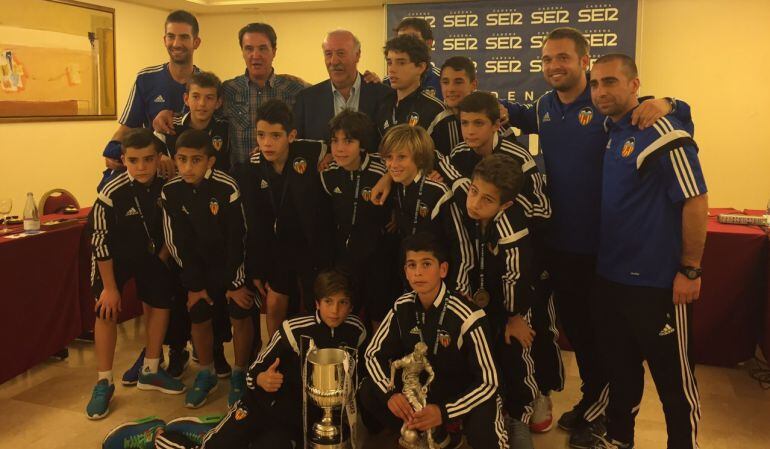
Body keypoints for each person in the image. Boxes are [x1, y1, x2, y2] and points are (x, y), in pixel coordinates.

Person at [501, 27, 692, 445]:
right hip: (561, 245)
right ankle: (594, 400)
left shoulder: (607, 102)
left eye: (563, 58)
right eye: (548, 59)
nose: (554, 66)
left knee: (609, 341)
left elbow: (675, 117)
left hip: (607, 253)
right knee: (581, 333)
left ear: (584, 61)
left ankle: (606, 413)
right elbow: (506, 111)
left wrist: (669, 102)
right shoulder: (545, 107)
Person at [104, 270, 367, 449]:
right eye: (329, 301)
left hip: (292, 423)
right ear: (317, 303)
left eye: (343, 303)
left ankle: (206, 429)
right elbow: (254, 371)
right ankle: (157, 435)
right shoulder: (293, 329)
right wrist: (263, 378)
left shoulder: (356, 331)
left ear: (351, 305)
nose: (335, 310)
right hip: (261, 405)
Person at [588, 54, 705, 449]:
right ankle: (619, 439)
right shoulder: (611, 132)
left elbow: (695, 199)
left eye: (609, 82)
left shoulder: (663, 131)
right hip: (612, 280)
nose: (601, 91)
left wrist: (690, 269)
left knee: (674, 382)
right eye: (595, 84)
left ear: (635, 85)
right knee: (621, 373)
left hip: (657, 285)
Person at [360, 232, 507, 448]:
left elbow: (489, 381)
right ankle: (432, 434)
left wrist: (445, 412)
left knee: (484, 421)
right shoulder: (402, 306)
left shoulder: (468, 315)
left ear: (443, 269)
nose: (418, 272)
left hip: (459, 394)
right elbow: (372, 354)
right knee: (369, 390)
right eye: (412, 265)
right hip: (423, 391)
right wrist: (391, 394)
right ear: (405, 272)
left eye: (426, 264)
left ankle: (452, 427)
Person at [86, 129, 184, 420]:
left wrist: (163, 256)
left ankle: (151, 369)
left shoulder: (168, 183)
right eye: (133, 160)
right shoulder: (110, 192)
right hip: (113, 259)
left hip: (153, 254)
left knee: (161, 303)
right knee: (106, 311)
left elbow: (175, 221)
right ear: (123, 160)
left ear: (158, 158)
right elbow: (99, 240)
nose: (141, 167)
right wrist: (110, 288)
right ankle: (103, 381)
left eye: (148, 159)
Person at [162, 129, 256, 408]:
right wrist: (194, 286)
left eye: (196, 160)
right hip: (197, 271)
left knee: (241, 313)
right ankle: (206, 374)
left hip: (230, 268)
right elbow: (176, 242)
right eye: (182, 160)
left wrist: (234, 284)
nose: (188, 167)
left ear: (210, 161)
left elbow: (239, 238)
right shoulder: (170, 191)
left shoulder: (227, 187)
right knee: (198, 314)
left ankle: (240, 374)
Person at [233, 99, 333, 339]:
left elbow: (338, 147)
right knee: (275, 301)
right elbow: (255, 223)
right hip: (278, 246)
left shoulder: (311, 151)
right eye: (261, 135)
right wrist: (256, 265)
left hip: (311, 245)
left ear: (291, 136)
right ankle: (276, 351)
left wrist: (330, 156)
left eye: (276, 135)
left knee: (312, 301)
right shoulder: (252, 168)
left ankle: (315, 351)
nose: (267, 143)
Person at [100, 10, 202, 189]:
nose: (176, 43)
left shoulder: (205, 85)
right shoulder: (146, 78)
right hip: (152, 176)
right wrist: (112, 150)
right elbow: (127, 128)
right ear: (164, 40)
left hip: (192, 179)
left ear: (196, 42)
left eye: (184, 37)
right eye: (171, 37)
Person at [378, 124, 472, 298]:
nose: (393, 164)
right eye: (389, 157)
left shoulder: (438, 191)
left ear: (419, 159)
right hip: (412, 280)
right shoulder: (397, 188)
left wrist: (460, 286)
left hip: (444, 283)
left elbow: (461, 244)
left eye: (402, 157)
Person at [320, 109, 392, 326]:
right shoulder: (328, 174)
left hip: (378, 256)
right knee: (346, 315)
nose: (340, 148)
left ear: (362, 144)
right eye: (335, 141)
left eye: (348, 141)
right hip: (343, 258)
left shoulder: (383, 170)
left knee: (378, 314)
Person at [292, 29, 390, 153]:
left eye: (341, 53)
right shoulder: (306, 100)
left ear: (357, 55)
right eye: (328, 54)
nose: (334, 61)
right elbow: (298, 148)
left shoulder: (383, 95)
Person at [223, 23, 306, 165]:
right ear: (242, 51)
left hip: (283, 179)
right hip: (240, 179)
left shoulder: (295, 89)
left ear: (274, 51)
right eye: (249, 49)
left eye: (262, 48)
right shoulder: (228, 90)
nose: (255, 55)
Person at [375, 35, 458, 157]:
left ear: (420, 67)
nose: (391, 69)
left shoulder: (437, 110)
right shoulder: (382, 104)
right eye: (389, 62)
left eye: (401, 63)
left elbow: (452, 158)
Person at [158, 71, 231, 172]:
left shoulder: (226, 128)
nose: (202, 103)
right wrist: (158, 157)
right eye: (196, 96)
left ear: (218, 102)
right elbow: (147, 150)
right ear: (186, 99)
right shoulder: (169, 125)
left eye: (209, 98)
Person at [383, 17, 443, 100]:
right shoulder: (386, 82)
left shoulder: (442, 80)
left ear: (428, 43)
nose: (405, 44)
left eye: (412, 39)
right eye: (401, 39)